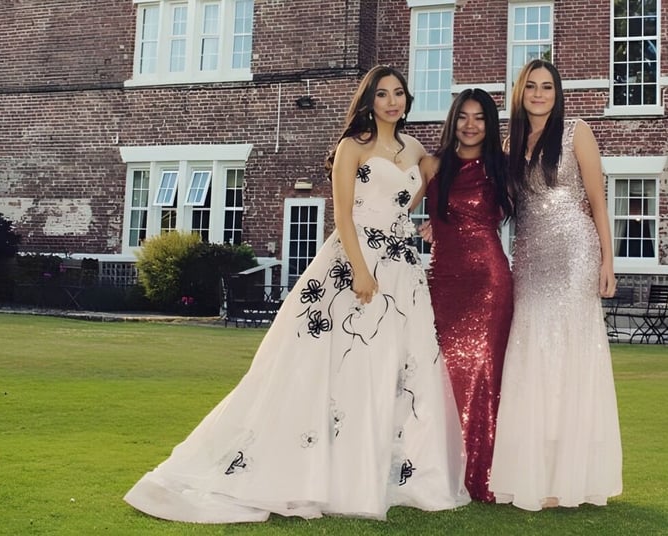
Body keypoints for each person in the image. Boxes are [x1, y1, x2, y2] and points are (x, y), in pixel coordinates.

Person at [123, 65, 469, 523]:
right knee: (336, 364)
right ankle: (310, 471)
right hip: (353, 264)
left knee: (390, 366)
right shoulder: (353, 146)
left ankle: (373, 471)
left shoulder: (418, 150)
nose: (392, 101)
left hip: (403, 271)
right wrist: (361, 272)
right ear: (368, 101)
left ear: (407, 100)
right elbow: (344, 216)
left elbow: (446, 186)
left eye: (399, 93)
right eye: (382, 94)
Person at [489, 59, 623, 510]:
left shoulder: (577, 132)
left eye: (548, 86)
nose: (540, 93)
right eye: (532, 86)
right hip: (529, 258)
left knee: (567, 356)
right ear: (520, 93)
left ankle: (570, 477)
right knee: (533, 355)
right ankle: (536, 471)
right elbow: (501, 208)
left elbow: (599, 203)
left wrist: (608, 260)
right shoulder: (509, 145)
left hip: (574, 255)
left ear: (556, 93)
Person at [418, 88, 513, 502]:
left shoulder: (502, 168)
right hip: (442, 280)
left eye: (479, 118)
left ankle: (480, 473)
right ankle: (435, 467)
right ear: (452, 120)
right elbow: (392, 204)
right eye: (463, 117)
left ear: (490, 125)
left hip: (489, 283)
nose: (471, 125)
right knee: (439, 373)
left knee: (483, 375)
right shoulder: (433, 165)